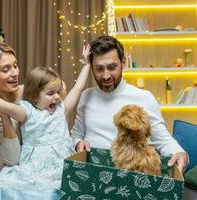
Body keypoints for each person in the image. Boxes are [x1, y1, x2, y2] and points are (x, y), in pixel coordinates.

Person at [0, 46, 91, 199]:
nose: (15, 73)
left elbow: (76, 89)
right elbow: (7, 108)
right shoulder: (25, 110)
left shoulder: (52, 102)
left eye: (15, 65)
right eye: (6, 69)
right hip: (30, 167)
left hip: (60, 162)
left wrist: (86, 66)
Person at [71, 36, 188, 173]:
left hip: (131, 175)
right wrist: (78, 143)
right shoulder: (86, 96)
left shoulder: (144, 97)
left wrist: (180, 153)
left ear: (123, 63)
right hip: (93, 173)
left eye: (112, 67)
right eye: (99, 69)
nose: (106, 75)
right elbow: (76, 134)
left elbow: (162, 139)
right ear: (92, 68)